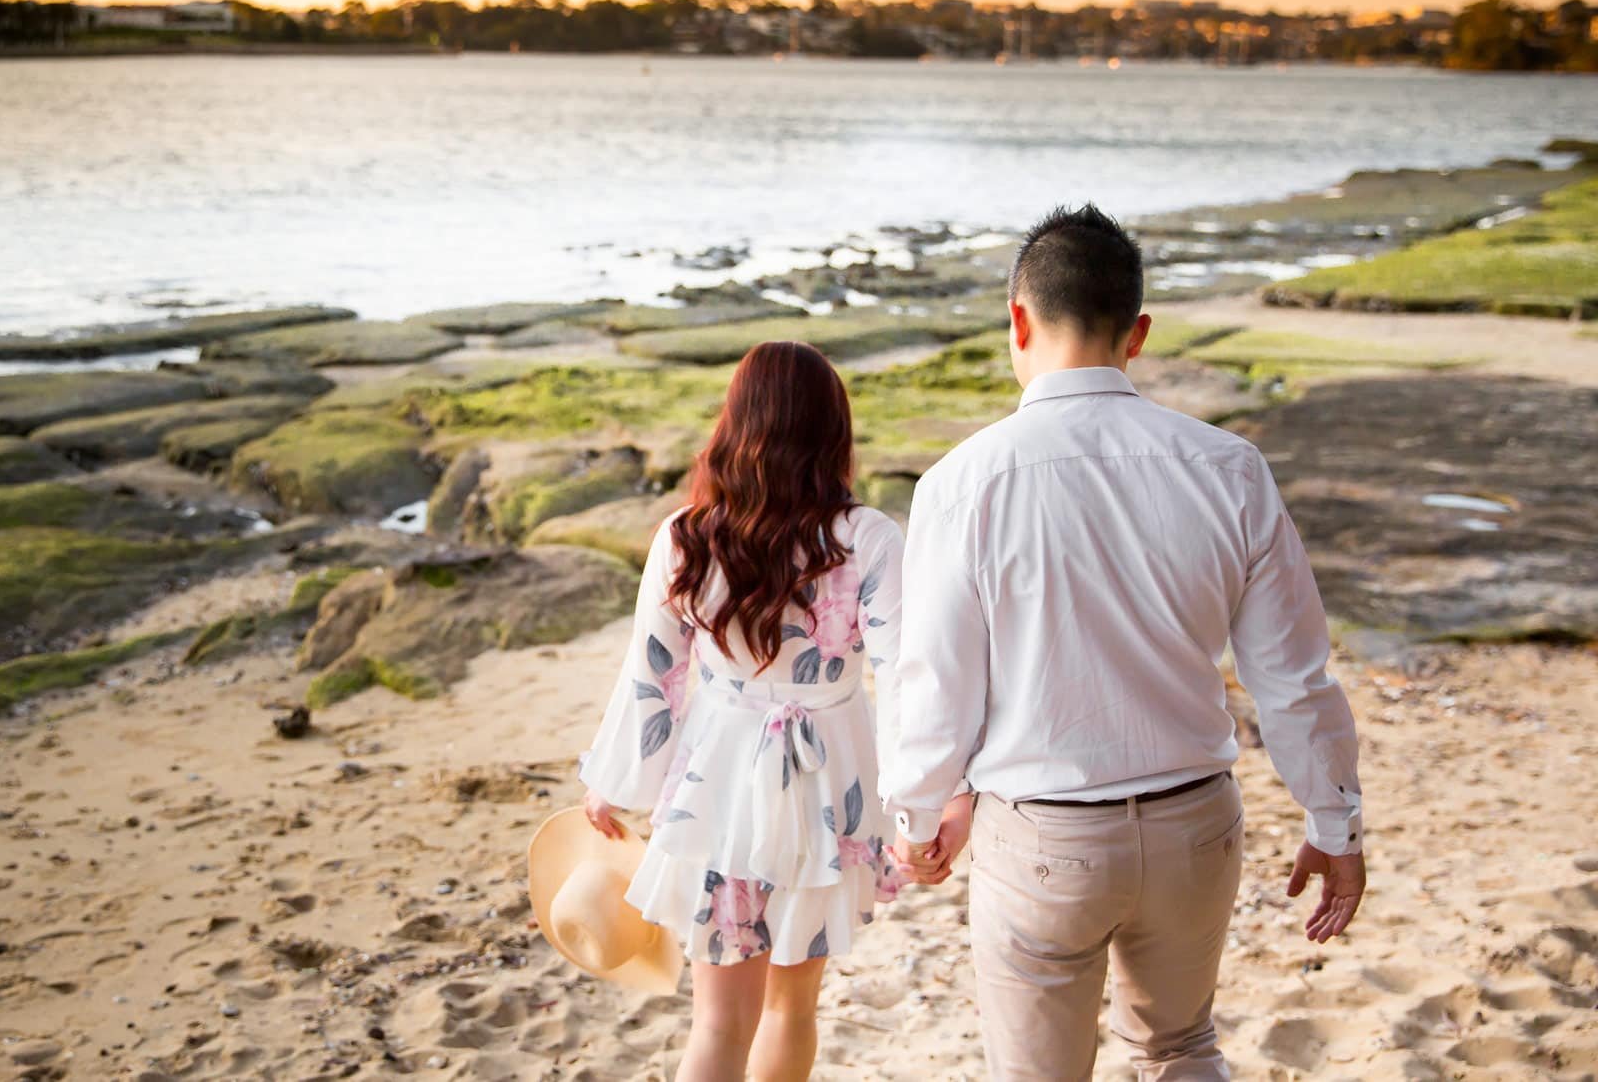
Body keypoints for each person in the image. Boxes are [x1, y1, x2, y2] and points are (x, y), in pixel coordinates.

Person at [883, 204, 1367, 1081]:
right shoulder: (1230, 467)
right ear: (1137, 333)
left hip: (1041, 841)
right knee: (1181, 1048)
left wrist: (916, 815)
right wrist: (1333, 817)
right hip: (1194, 824)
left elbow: (936, 684)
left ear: (1018, 322)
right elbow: (1293, 677)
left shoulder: (960, 485)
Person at [578, 340, 967, 1082]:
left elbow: (653, 677)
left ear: (736, 423)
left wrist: (615, 784)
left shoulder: (686, 536)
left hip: (715, 787)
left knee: (719, 1022)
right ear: (833, 431)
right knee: (792, 1009)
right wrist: (924, 807)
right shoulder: (870, 538)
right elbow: (906, 682)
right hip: (830, 785)